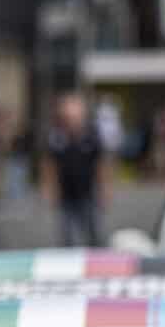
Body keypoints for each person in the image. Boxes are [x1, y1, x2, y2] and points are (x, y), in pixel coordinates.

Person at [43, 94, 107, 246]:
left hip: (88, 192)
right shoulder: (56, 137)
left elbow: (101, 164)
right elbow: (49, 164)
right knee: (67, 236)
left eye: (75, 117)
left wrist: (104, 189)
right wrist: (50, 189)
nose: (72, 121)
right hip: (66, 195)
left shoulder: (91, 135)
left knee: (94, 234)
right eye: (68, 117)